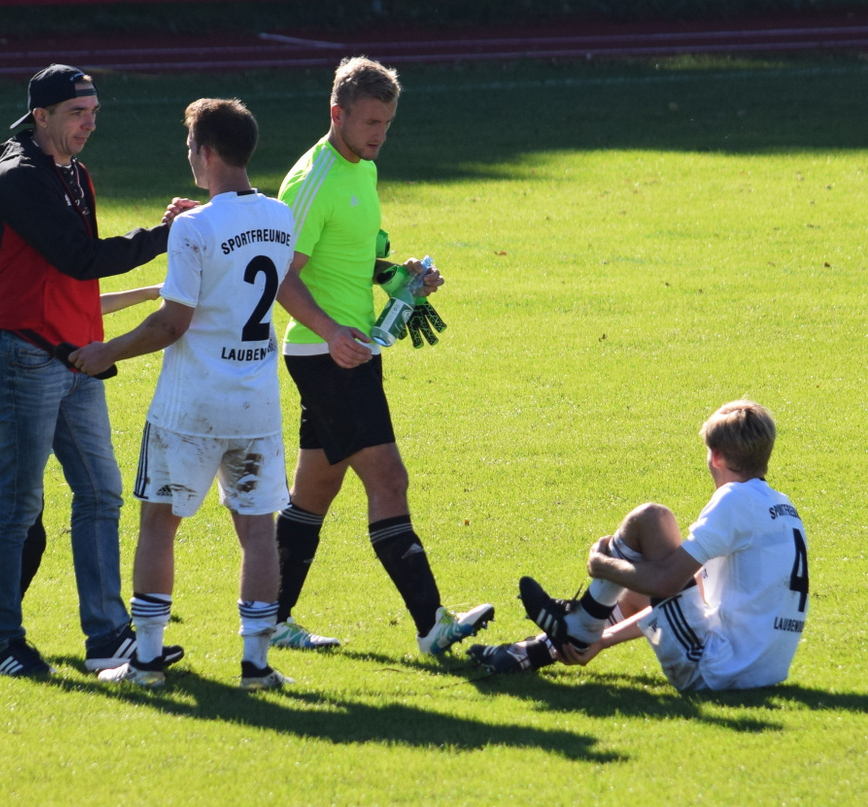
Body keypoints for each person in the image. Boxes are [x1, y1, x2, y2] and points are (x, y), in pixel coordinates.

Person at [71, 97, 360, 689]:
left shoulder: (193, 228)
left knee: (159, 524)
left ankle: (146, 660)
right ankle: (256, 665)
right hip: (255, 405)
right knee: (256, 532)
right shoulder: (279, 215)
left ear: (205, 153)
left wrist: (107, 351)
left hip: (190, 407)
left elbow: (171, 323)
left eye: (189, 150)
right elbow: (270, 274)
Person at [272, 55, 493, 655]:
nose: (380, 134)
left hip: (347, 350)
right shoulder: (312, 179)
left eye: (387, 123)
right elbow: (281, 275)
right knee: (389, 479)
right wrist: (332, 333)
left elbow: (348, 259)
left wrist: (401, 276)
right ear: (336, 113)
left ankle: (269, 619)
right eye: (370, 122)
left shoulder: (362, 168)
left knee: (314, 491)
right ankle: (432, 625)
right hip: (329, 354)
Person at [0, 63, 186, 677]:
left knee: (100, 492)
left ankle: (107, 637)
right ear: (40, 116)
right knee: (17, 504)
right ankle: (0, 642)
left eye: (93, 112)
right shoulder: (20, 178)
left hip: (76, 356)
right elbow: (79, 258)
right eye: (77, 113)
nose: (89, 124)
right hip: (24, 357)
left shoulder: (74, 172)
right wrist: (164, 236)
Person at [0, 243, 165, 650]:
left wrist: (150, 292)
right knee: (26, 537)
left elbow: (93, 306)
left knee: (31, 538)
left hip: (21, 449)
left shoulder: (41, 322)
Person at [471, 400, 810, 692]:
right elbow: (682, 597)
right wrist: (603, 640)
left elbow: (666, 584)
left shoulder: (734, 498)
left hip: (716, 670)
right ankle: (534, 651)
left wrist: (601, 565)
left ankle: (580, 626)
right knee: (636, 587)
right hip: (758, 670)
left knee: (652, 518)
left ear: (717, 456)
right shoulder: (783, 507)